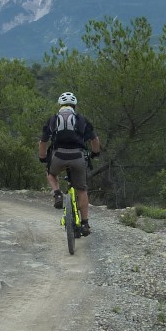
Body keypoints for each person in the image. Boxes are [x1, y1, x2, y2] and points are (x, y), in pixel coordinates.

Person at [39, 91, 100, 235]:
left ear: (60, 105)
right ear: (75, 106)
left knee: (50, 173)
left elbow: (43, 141)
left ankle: (57, 194)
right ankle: (85, 224)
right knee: (82, 190)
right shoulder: (82, 119)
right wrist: (95, 153)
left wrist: (42, 157)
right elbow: (95, 140)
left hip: (58, 155)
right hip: (78, 157)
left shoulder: (53, 119)